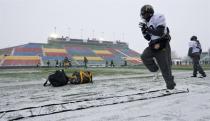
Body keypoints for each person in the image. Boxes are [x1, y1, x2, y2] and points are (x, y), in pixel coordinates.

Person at [139, 5, 176, 89]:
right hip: (153, 44)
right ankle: (155, 69)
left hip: (162, 44)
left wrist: (147, 29)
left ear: (150, 13)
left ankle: (171, 85)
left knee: (165, 68)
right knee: (144, 56)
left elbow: (159, 32)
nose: (144, 16)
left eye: (145, 14)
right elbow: (148, 38)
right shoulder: (147, 23)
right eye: (143, 15)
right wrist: (144, 32)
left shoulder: (158, 17)